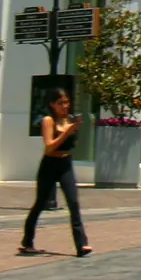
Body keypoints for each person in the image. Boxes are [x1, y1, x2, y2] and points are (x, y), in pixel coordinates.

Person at [19, 88, 91, 257]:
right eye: (60, 103)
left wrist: (73, 128)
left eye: (66, 102)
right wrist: (67, 131)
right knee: (40, 203)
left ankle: (81, 245)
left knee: (73, 202)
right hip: (50, 164)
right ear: (52, 105)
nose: (65, 106)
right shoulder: (48, 121)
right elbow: (49, 147)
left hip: (66, 164)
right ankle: (27, 242)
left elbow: (72, 145)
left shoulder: (69, 120)